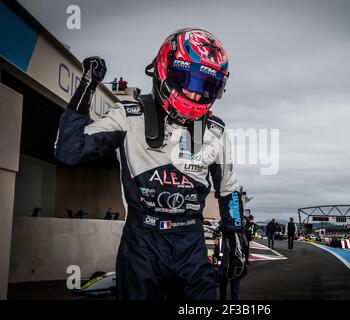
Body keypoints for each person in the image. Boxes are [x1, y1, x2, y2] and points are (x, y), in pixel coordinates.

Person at [54, 28, 247, 300]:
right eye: (187, 79)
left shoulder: (214, 132)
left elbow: (229, 188)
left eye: (206, 85)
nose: (194, 94)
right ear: (165, 68)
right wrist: (85, 89)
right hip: (142, 245)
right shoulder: (128, 116)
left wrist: (235, 232)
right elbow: (68, 152)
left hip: (191, 245)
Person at [213, 227, 246, 301]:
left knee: (223, 291)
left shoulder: (219, 230)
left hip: (225, 267)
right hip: (234, 266)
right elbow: (245, 245)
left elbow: (216, 252)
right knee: (234, 292)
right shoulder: (238, 231)